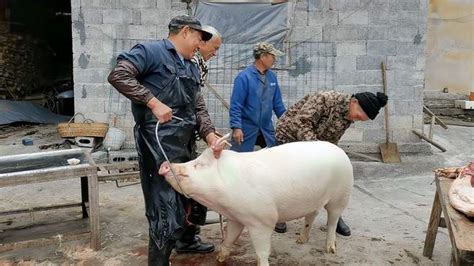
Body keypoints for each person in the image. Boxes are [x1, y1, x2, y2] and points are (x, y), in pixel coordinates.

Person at [108, 15, 225, 265]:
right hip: (157, 143)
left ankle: (186, 242)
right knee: (164, 206)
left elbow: (198, 106)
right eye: (198, 37)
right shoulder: (150, 52)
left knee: (191, 198)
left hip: (185, 142)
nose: (200, 44)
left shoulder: (191, 66)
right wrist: (152, 102)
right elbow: (118, 75)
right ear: (185, 32)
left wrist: (210, 134)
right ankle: (158, 262)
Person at [274, 90, 388, 236]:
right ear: (354, 102)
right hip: (289, 137)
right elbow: (301, 123)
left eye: (361, 120)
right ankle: (280, 215)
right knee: (287, 179)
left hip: (315, 147)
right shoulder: (325, 99)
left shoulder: (348, 116)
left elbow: (332, 139)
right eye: (358, 116)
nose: (356, 120)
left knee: (330, 179)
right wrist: (318, 151)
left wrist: (331, 157)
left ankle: (334, 216)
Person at [229, 42, 286, 153]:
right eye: (272, 57)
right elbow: (236, 105)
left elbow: (278, 104)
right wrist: (236, 127)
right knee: (239, 159)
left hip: (266, 127)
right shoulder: (244, 77)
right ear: (262, 57)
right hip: (246, 128)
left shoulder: (272, 77)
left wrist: (288, 121)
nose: (274, 60)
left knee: (273, 156)